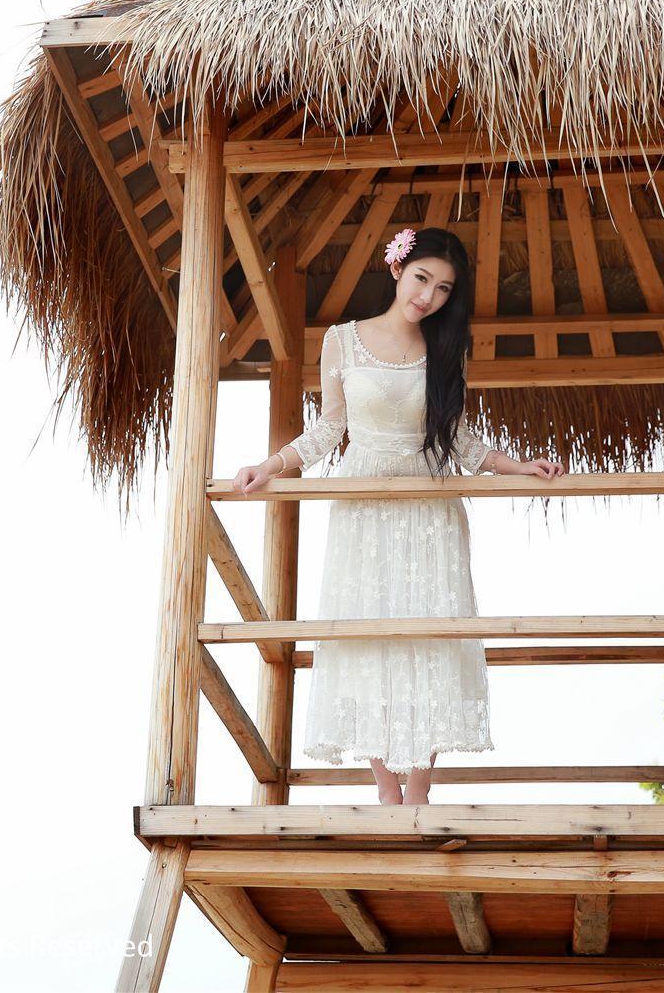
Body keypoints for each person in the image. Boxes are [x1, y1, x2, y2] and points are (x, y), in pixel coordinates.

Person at [232, 226, 564, 806]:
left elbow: (459, 440)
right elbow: (328, 429)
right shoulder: (341, 340)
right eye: (422, 278)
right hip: (362, 506)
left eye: (442, 288)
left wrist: (518, 467)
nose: (428, 296)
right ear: (396, 269)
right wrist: (269, 465)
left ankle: (419, 793)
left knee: (430, 636)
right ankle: (386, 792)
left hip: (428, 507)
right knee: (366, 633)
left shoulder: (444, 349)